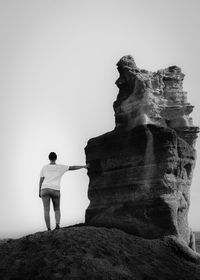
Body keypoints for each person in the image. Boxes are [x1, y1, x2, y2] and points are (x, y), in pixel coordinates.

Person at [39, 152, 88, 231]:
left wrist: (39, 191)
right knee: (57, 208)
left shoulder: (44, 168)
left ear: (49, 158)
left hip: (45, 189)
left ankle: (48, 229)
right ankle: (57, 225)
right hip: (55, 190)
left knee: (46, 210)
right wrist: (83, 166)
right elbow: (72, 167)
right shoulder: (61, 167)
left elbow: (41, 180)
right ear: (56, 158)